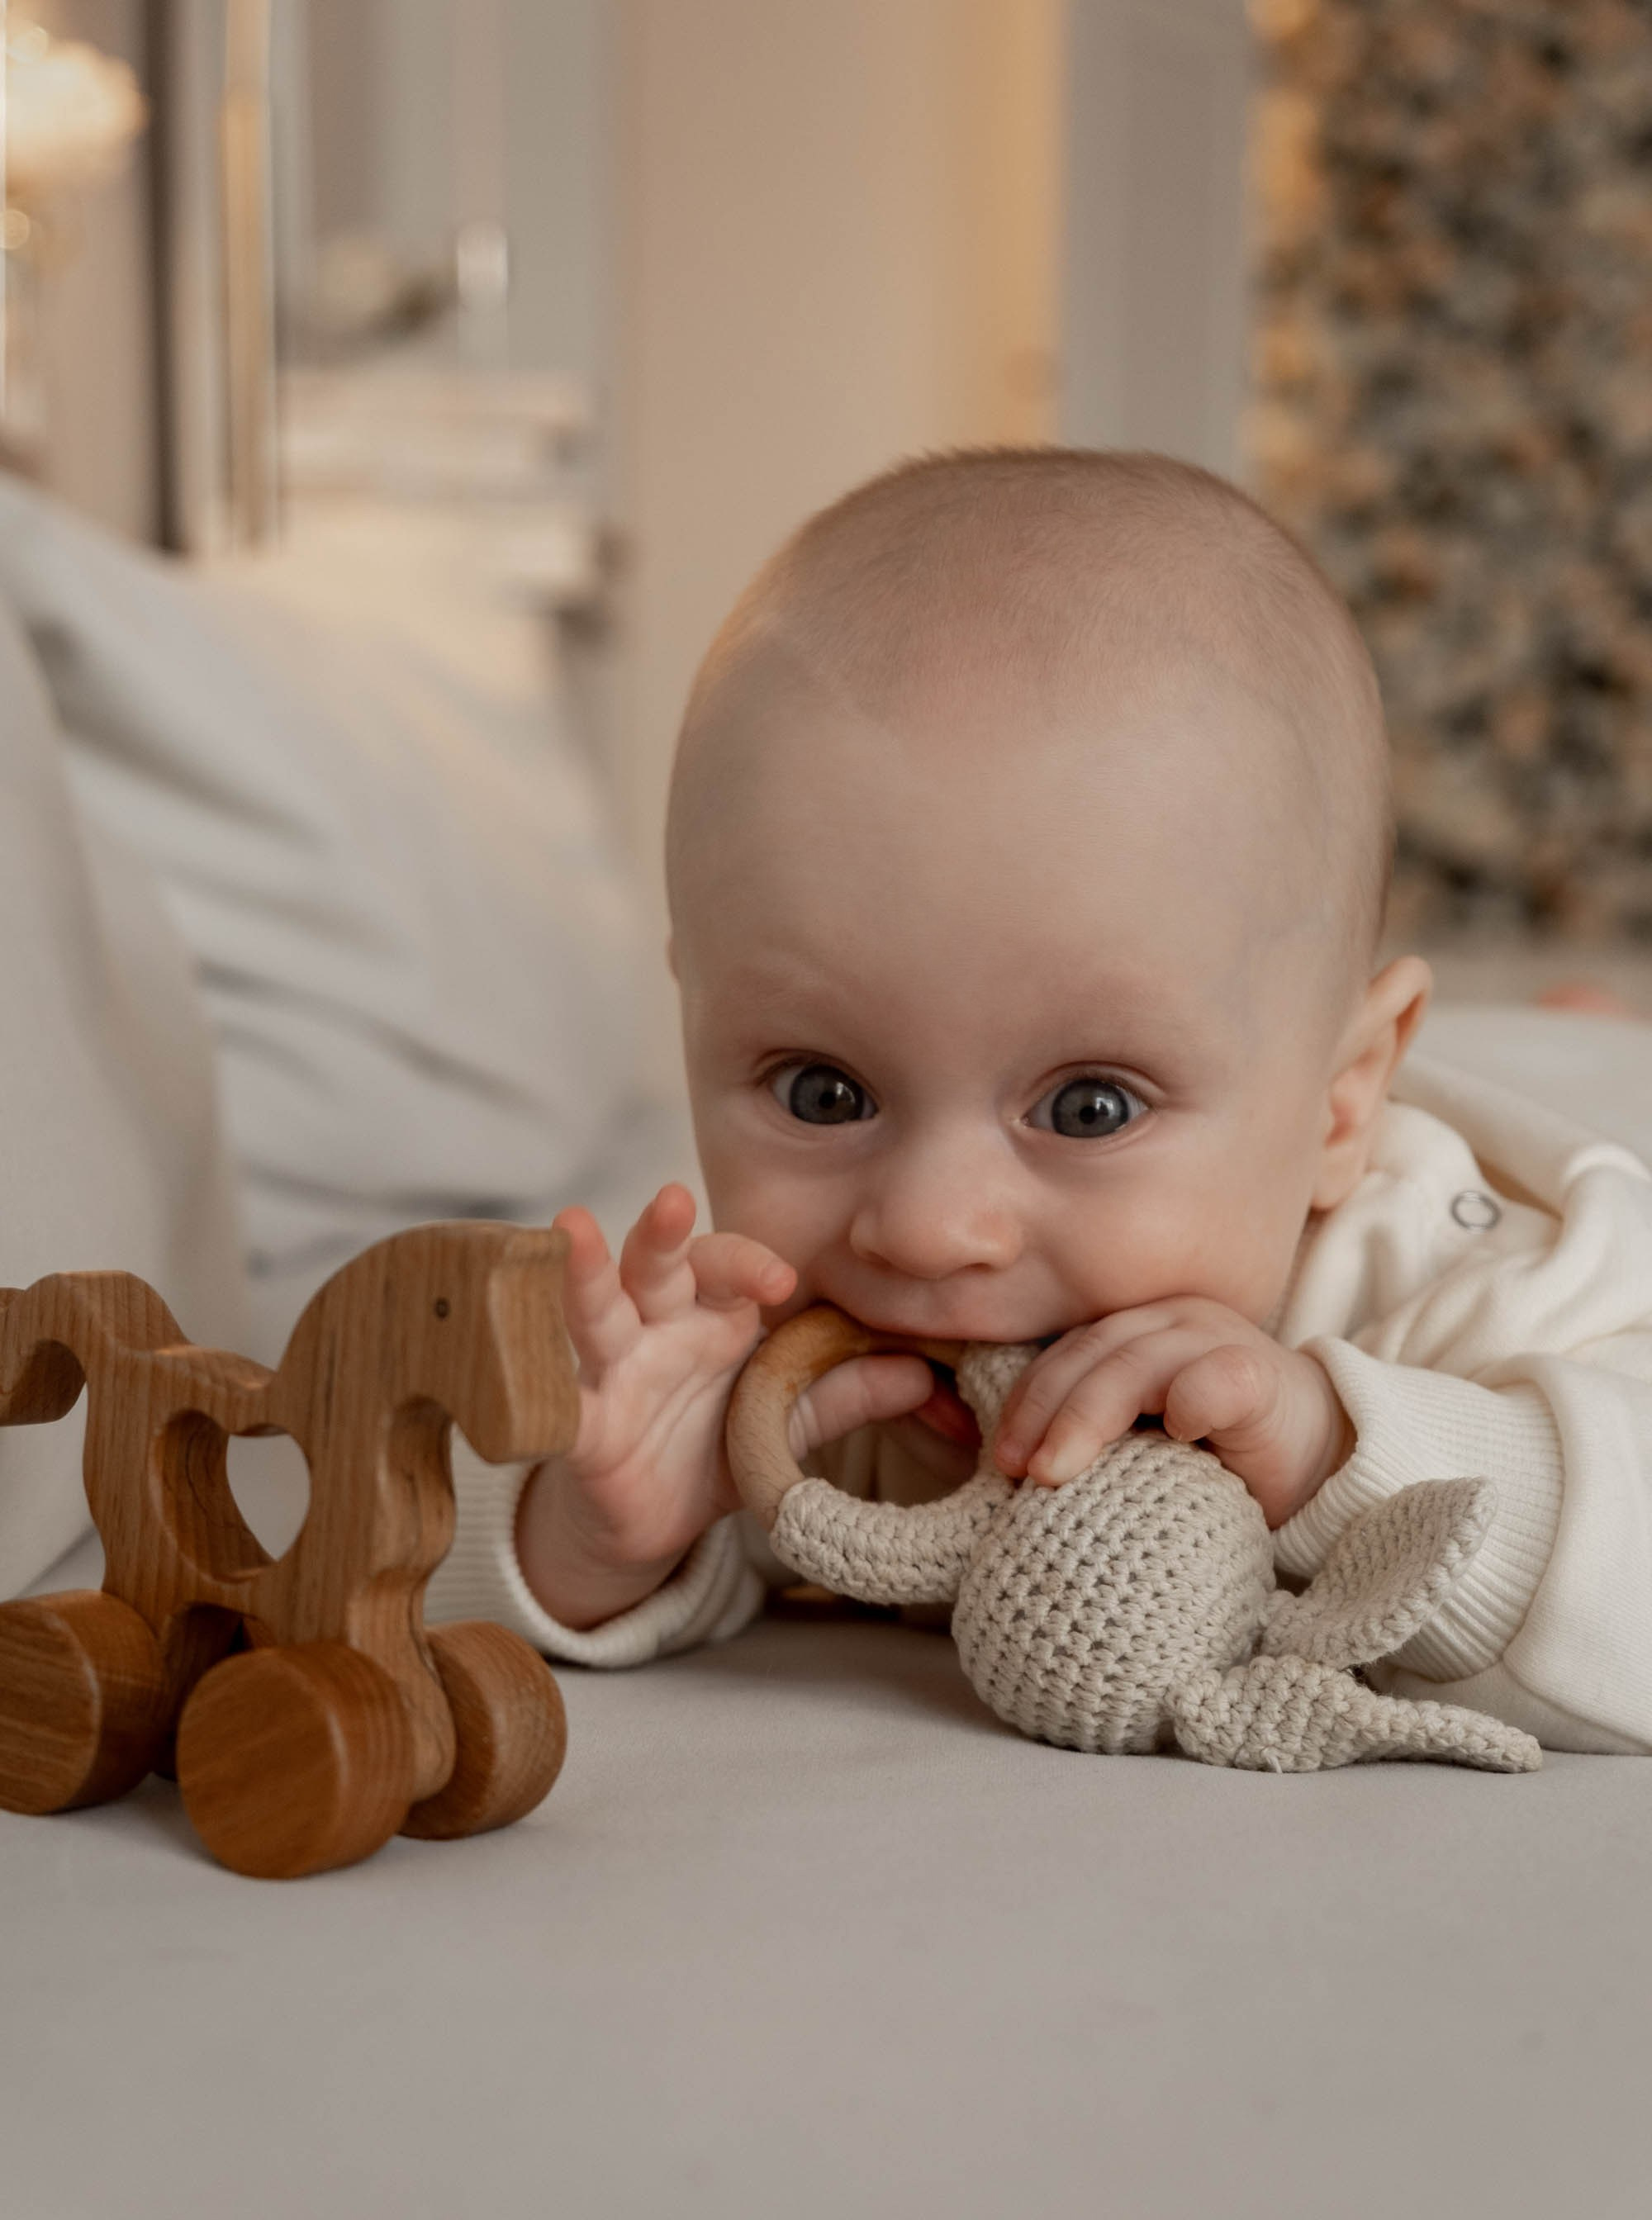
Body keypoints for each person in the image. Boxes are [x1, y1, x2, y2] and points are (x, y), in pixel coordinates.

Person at [428, 448, 1652, 1753]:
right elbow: (422, 1579)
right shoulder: (788, 1339)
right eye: (824, 1090)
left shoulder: (1464, 1279)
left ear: (1340, 1105)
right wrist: (591, 1533)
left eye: (1088, 1109)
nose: (930, 1228)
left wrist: (1332, 1452)